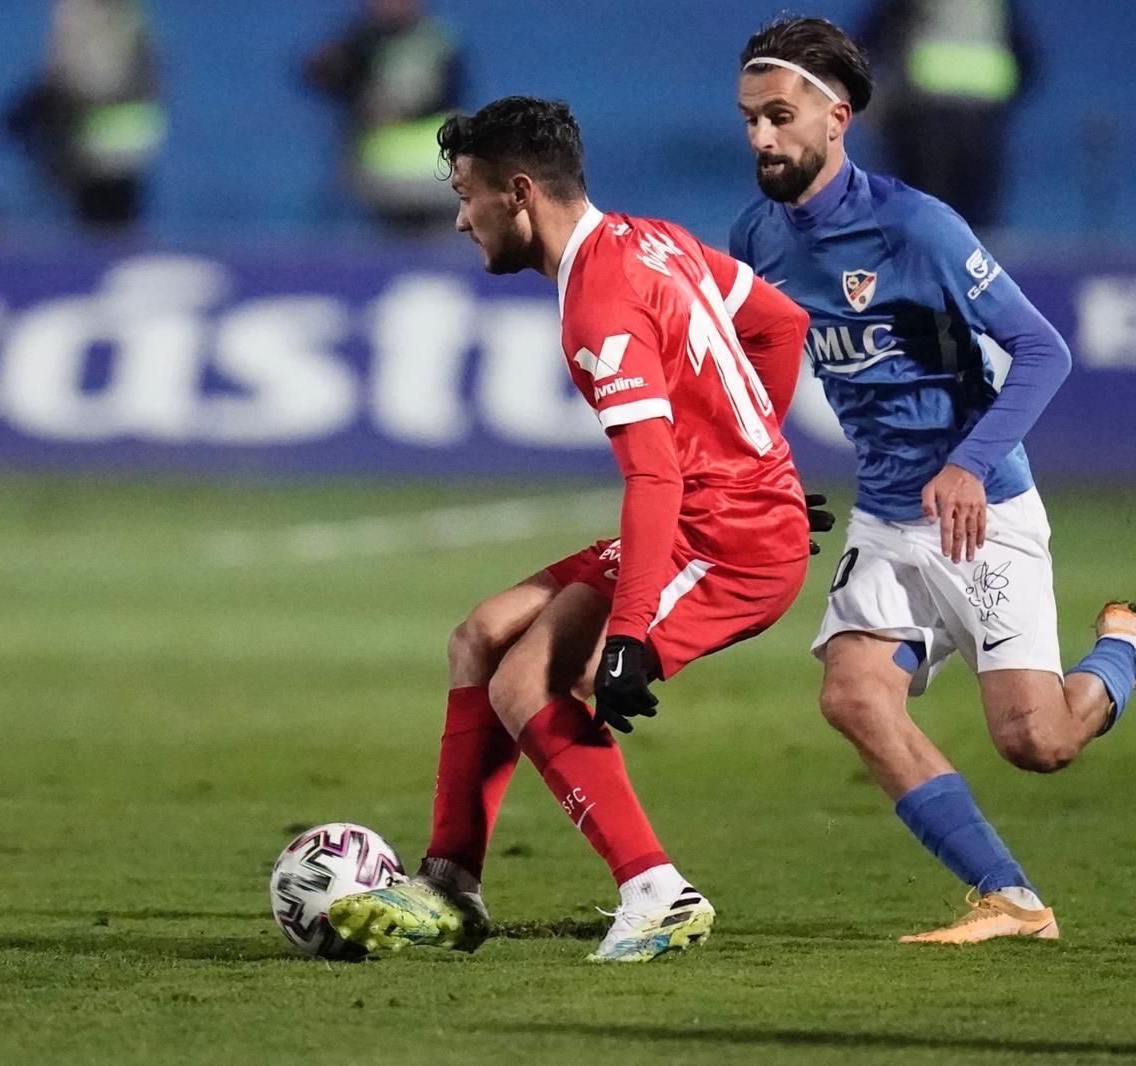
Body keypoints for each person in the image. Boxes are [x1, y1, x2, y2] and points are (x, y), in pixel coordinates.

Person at [731, 17, 1136, 944]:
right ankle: (1012, 898)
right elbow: (755, 359)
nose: (761, 138)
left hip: (977, 509)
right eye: (749, 119)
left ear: (837, 118)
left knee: (1037, 743)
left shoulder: (918, 226)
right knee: (852, 695)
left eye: (780, 117)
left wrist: (966, 465)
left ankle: (1129, 651)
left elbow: (1043, 349)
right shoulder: (758, 235)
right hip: (884, 512)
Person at [326, 96, 818, 963]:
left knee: (531, 685)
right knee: (479, 638)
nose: (459, 216)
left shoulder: (599, 304)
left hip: (727, 542)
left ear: (518, 193)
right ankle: (449, 885)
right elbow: (780, 324)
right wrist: (758, 450)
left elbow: (655, 474)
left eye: (466, 194)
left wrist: (630, 630)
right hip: (718, 510)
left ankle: (657, 892)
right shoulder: (652, 237)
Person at [858, 0, 1035, 229]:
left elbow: (874, 39)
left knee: (925, 214)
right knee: (976, 218)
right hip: (981, 117)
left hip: (925, 115)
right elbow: (1025, 55)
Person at [303, 0, 463, 236]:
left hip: (433, 174)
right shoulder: (360, 40)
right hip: (378, 173)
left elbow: (403, 100)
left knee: (439, 250)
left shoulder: (432, 42)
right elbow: (320, 72)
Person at [4, 0, 164, 235]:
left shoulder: (79, 12)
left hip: (94, 136)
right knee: (115, 222)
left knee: (103, 221)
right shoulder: (127, 12)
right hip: (126, 139)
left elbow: (77, 77)